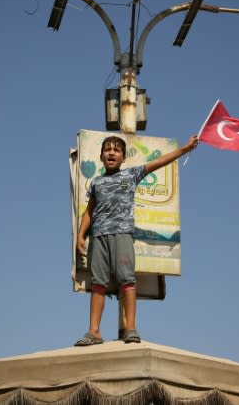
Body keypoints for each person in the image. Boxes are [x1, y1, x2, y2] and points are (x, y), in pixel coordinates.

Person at [74, 134, 199, 346]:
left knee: (127, 280)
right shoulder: (97, 182)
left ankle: (131, 328)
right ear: (101, 156)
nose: (111, 153)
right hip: (98, 237)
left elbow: (160, 161)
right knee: (98, 284)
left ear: (123, 158)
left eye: (116, 150)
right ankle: (94, 331)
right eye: (107, 150)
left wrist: (185, 149)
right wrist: (80, 234)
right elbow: (90, 211)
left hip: (122, 235)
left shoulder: (131, 175)